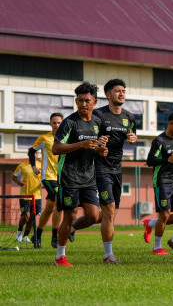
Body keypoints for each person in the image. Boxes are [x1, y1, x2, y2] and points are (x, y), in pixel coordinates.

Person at [51, 81, 109, 267]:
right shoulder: (69, 122)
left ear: (95, 101)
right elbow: (56, 148)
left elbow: (97, 146)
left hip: (88, 177)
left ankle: (70, 229)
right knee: (69, 215)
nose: (83, 104)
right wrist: (81, 144)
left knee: (94, 216)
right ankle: (60, 256)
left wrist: (101, 150)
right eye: (80, 100)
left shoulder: (98, 122)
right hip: (69, 177)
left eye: (87, 100)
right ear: (76, 101)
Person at [93, 78, 138, 264]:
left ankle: (75, 225)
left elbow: (131, 135)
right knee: (109, 210)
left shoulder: (129, 117)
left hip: (117, 169)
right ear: (108, 94)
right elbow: (89, 138)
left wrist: (133, 138)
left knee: (106, 215)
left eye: (124, 91)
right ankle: (108, 255)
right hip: (99, 167)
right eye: (117, 90)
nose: (122, 94)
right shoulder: (98, 115)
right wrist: (97, 144)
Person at [144, 111, 173, 255]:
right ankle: (157, 247)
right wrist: (166, 160)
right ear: (171, 124)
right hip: (162, 182)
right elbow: (150, 161)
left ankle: (150, 224)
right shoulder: (159, 141)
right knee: (164, 215)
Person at [28, 112, 63, 248]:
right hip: (48, 177)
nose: (56, 125)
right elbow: (32, 151)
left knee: (50, 208)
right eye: (54, 122)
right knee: (58, 201)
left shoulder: (65, 139)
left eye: (59, 122)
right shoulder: (44, 138)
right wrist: (33, 166)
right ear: (50, 124)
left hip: (61, 178)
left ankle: (37, 236)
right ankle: (55, 237)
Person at [12, 154, 42, 245]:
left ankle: (25, 236)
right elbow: (14, 177)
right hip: (25, 196)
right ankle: (19, 233)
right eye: (33, 153)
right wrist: (19, 182)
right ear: (29, 154)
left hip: (37, 196)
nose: (35, 154)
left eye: (36, 153)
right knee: (25, 216)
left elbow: (44, 177)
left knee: (33, 218)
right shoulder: (22, 166)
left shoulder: (40, 165)